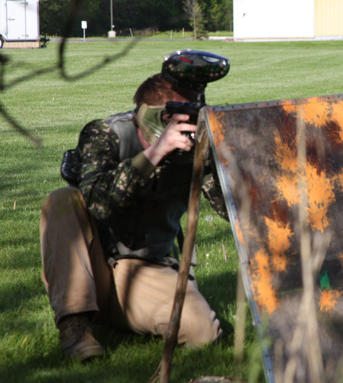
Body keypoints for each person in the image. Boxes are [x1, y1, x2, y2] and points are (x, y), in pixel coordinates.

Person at [40, 50, 229, 362]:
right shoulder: (105, 134)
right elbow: (99, 202)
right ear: (159, 115)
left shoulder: (195, 149)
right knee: (62, 200)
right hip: (93, 267)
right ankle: (75, 328)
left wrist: (224, 160)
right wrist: (156, 152)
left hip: (148, 268)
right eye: (181, 116)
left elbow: (232, 209)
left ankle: (124, 317)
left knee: (203, 334)